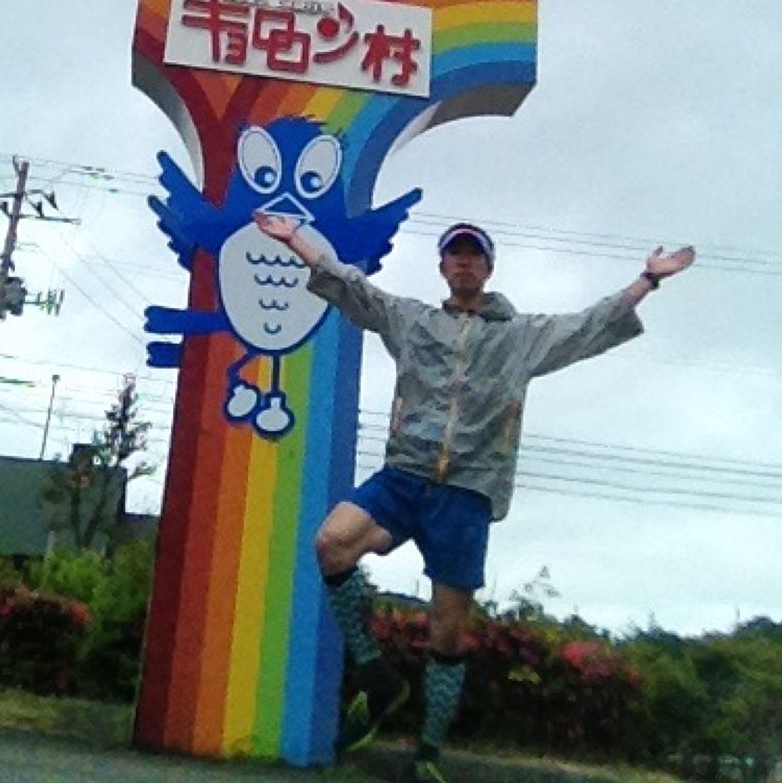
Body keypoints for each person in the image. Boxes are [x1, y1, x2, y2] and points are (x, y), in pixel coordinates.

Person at [254, 210, 695, 783]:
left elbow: (591, 324)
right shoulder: (411, 321)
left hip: (467, 491)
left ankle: (429, 751)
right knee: (332, 542)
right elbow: (350, 286)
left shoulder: (520, 337)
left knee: (447, 631)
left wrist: (649, 279)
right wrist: (296, 241)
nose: (465, 262)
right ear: (442, 267)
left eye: (475, 255)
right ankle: (375, 674)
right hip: (405, 475)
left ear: (488, 268)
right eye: (455, 254)